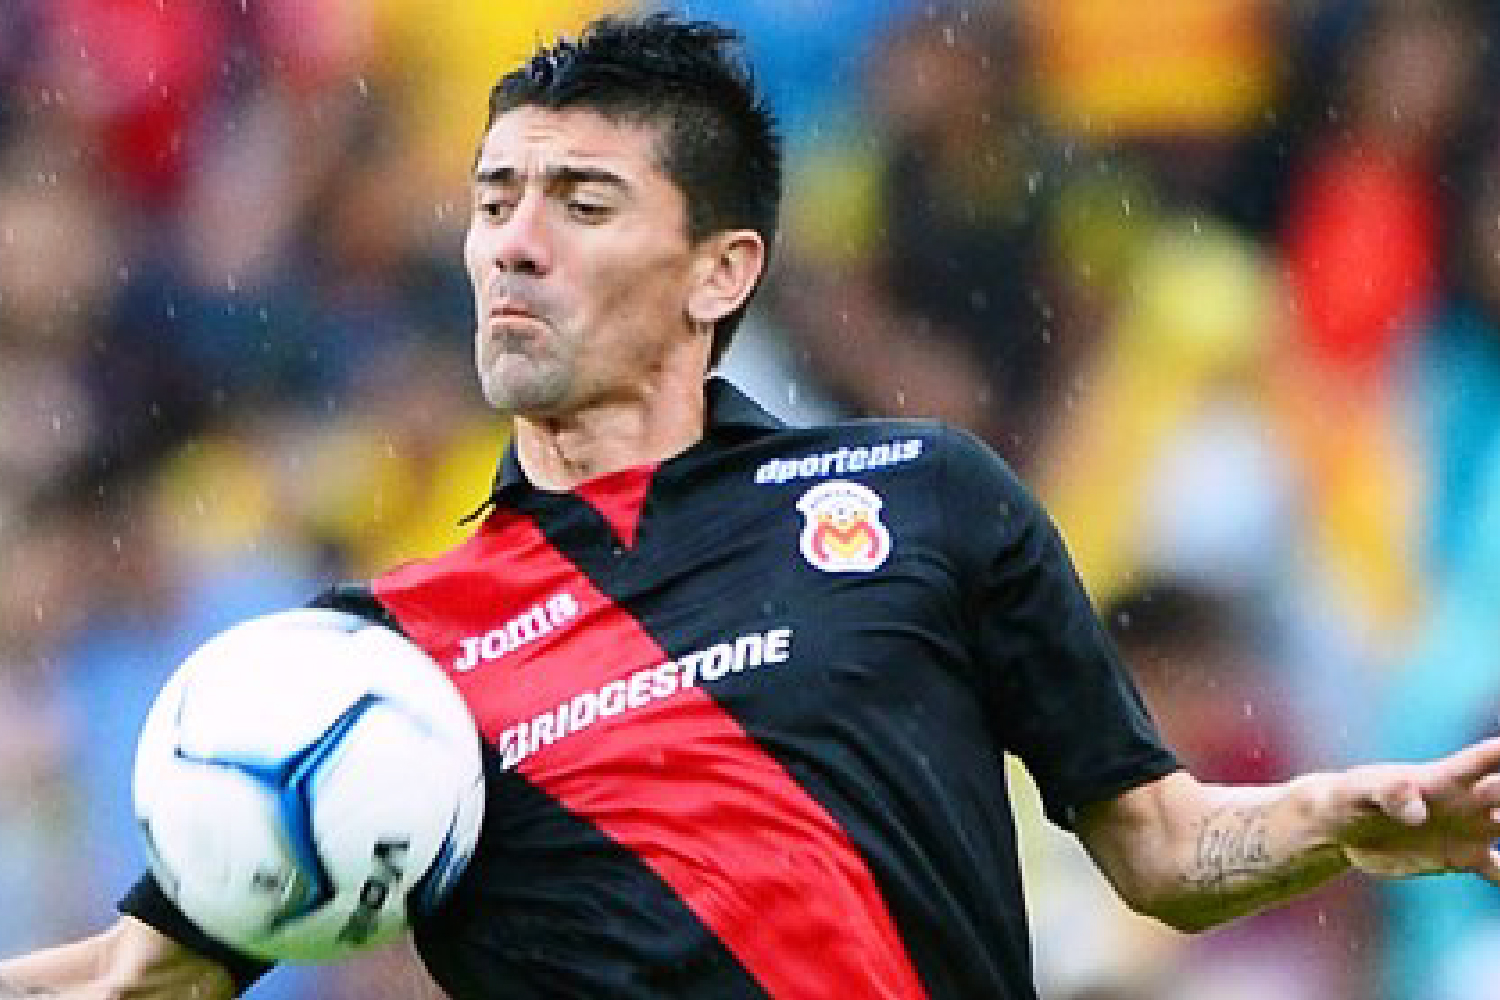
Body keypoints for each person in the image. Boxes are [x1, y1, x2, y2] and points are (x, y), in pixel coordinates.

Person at [5, 13, 1500, 1000]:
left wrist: (1334, 821)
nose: (513, 244)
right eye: (493, 200)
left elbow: (1163, 851)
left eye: (582, 204)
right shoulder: (378, 660)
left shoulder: (925, 499)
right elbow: (142, 976)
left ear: (721, 272)